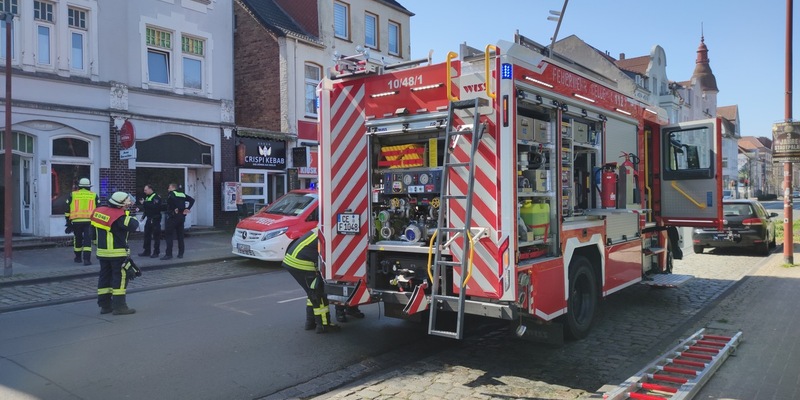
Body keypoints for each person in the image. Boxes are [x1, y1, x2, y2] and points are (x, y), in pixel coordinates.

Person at [90, 192, 140, 315]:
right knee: (120, 279)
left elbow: (93, 235)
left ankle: (105, 306)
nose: (128, 206)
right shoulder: (120, 217)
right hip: (117, 253)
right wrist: (129, 214)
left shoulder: (99, 212)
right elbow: (134, 225)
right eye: (127, 204)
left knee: (104, 278)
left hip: (102, 252)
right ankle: (120, 307)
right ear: (121, 205)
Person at [282, 230, 340, 333]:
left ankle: (310, 322)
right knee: (319, 293)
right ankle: (323, 325)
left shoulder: (320, 229)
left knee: (312, 292)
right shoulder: (328, 233)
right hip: (301, 263)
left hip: (292, 261)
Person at [65, 178, 99, 265]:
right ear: (89, 187)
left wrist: (68, 223)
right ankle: (87, 260)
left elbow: (67, 209)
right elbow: (99, 209)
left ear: (79, 186)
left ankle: (78, 258)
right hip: (90, 222)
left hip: (76, 221)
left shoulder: (73, 195)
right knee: (87, 240)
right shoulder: (94, 195)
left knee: (78, 239)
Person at [161, 183, 195, 260]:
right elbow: (192, 200)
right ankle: (180, 254)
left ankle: (169, 254)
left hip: (173, 216)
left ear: (173, 188)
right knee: (180, 236)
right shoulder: (182, 194)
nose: (168, 189)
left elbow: (170, 202)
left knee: (169, 235)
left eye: (169, 187)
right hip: (181, 216)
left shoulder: (171, 194)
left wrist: (176, 208)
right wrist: (188, 208)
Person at [137, 184, 163, 258]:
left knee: (156, 236)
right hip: (149, 218)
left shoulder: (156, 197)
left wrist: (144, 203)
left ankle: (156, 252)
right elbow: (147, 209)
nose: (144, 192)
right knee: (147, 235)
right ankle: (147, 251)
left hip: (155, 219)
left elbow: (155, 207)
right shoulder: (148, 197)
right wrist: (143, 217)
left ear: (150, 189)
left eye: (145, 190)